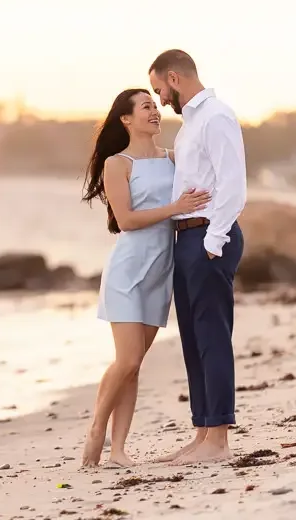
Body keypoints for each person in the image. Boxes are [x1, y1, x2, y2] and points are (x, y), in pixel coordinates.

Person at [80, 88, 210, 468]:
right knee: (127, 359)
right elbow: (127, 221)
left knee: (134, 365)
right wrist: (175, 208)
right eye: (146, 107)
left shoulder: (172, 159)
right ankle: (96, 430)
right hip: (128, 270)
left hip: (160, 272)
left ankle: (119, 451)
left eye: (155, 105)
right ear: (126, 119)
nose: (155, 111)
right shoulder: (118, 164)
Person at [148, 49, 247, 465]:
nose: (158, 100)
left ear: (174, 77)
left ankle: (219, 442)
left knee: (212, 337)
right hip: (186, 238)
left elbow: (233, 184)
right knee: (192, 339)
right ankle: (203, 431)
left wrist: (213, 240)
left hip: (209, 236)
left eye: (158, 90)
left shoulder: (216, 117)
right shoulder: (189, 126)